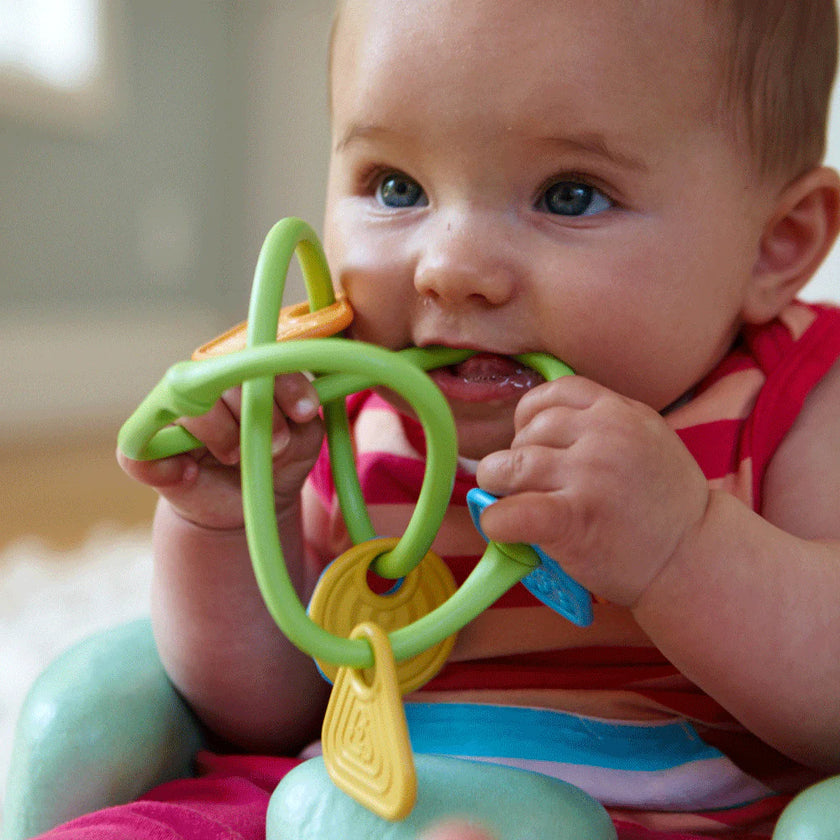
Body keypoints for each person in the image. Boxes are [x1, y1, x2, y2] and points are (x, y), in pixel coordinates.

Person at [45, 1, 840, 838]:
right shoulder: (337, 416)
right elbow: (260, 712)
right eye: (397, 187)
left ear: (775, 245)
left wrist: (682, 545)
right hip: (344, 788)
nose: (450, 268)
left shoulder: (792, 396)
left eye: (569, 196)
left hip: (667, 814)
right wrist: (230, 520)